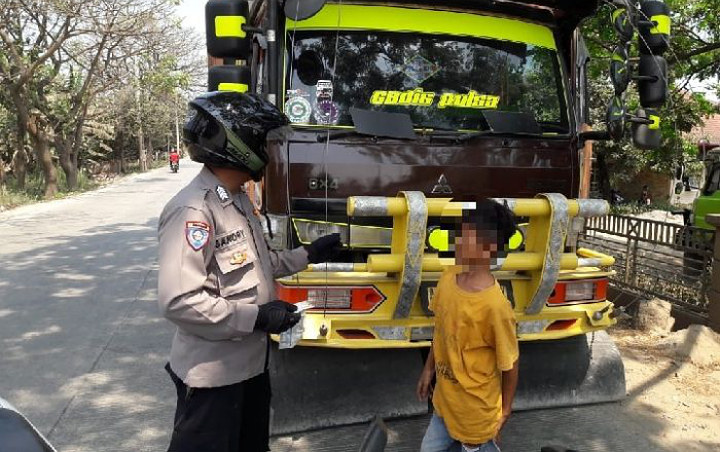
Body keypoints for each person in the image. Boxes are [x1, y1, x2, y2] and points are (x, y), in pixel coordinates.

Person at [157, 91, 341, 452]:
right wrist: (256, 317)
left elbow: (259, 265)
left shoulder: (238, 199)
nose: (270, 151)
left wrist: (310, 254)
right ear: (239, 144)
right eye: (264, 141)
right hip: (214, 379)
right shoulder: (194, 211)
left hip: (250, 370)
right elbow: (179, 301)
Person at [417, 199, 520, 452]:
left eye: (468, 237)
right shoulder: (448, 277)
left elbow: (511, 363)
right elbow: (440, 331)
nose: (459, 242)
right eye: (460, 234)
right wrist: (428, 369)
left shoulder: (495, 307)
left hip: (476, 414)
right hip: (443, 404)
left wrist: (504, 412)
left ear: (490, 247)